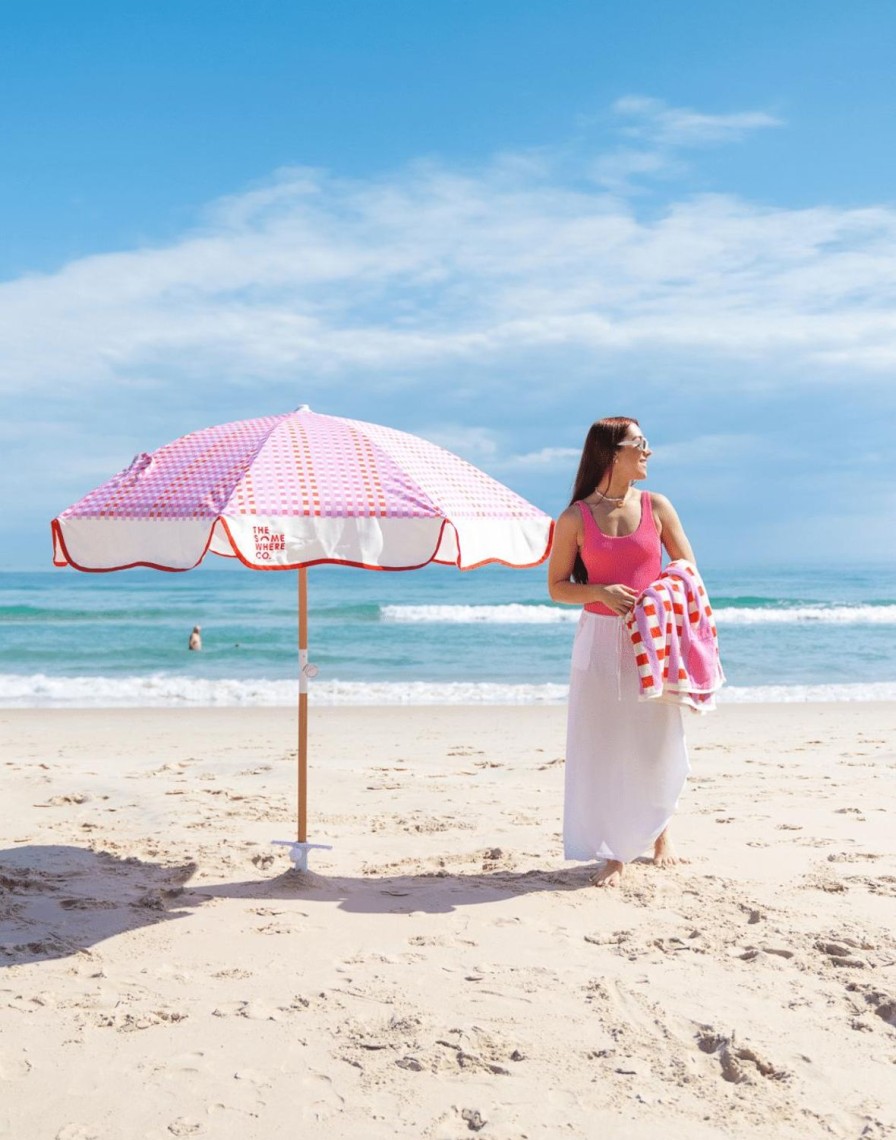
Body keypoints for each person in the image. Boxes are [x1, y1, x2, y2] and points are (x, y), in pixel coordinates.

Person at [548, 416, 696, 888]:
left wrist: (656, 600)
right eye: (640, 443)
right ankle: (614, 851)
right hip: (599, 639)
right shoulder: (575, 518)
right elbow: (557, 588)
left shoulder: (658, 506)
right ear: (613, 452)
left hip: (652, 640)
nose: (648, 451)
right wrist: (600, 591)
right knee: (605, 742)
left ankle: (660, 835)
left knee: (654, 740)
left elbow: (687, 567)